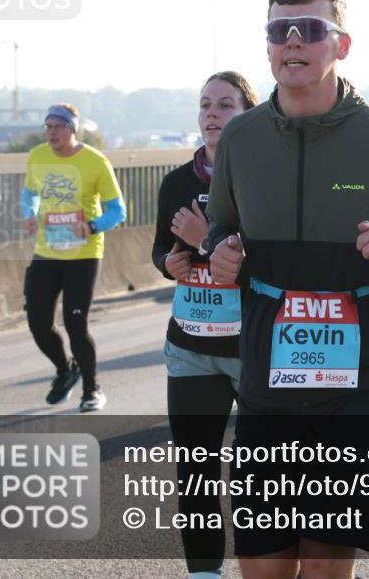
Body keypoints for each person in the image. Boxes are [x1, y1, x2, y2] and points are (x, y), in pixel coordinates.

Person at [205, 0, 369, 579]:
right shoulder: (241, 138)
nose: (293, 41)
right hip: (270, 378)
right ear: (268, 46)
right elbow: (221, 225)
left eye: (311, 30)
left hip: (362, 384)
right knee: (263, 566)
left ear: (341, 45)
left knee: (324, 564)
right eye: (280, 30)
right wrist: (221, 252)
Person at [151, 71, 259, 578]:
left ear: (248, 116)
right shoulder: (176, 181)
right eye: (205, 105)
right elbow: (159, 247)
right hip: (190, 347)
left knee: (259, 472)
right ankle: (204, 573)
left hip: (253, 349)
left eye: (225, 106)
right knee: (195, 472)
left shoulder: (265, 179)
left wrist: (205, 239)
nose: (212, 114)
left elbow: (277, 263)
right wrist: (167, 264)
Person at [21, 103, 126, 411]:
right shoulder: (37, 156)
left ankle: (92, 389)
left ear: (72, 129)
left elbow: (118, 211)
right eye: (47, 126)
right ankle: (66, 370)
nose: (51, 132)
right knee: (38, 323)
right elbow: (30, 194)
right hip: (47, 251)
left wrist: (91, 225)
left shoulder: (95, 162)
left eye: (58, 126)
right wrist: (29, 214)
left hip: (84, 253)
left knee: (75, 324)